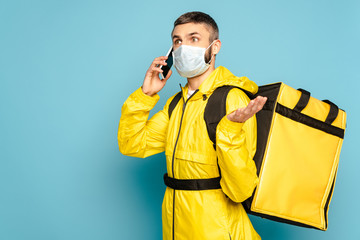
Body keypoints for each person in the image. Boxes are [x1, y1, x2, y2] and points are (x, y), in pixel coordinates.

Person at [118, 11, 267, 240]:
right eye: (177, 41)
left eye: (194, 39)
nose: (183, 47)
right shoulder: (177, 104)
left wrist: (229, 130)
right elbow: (132, 144)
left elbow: (241, 190)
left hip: (218, 232)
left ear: (214, 47)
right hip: (176, 228)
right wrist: (145, 95)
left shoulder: (232, 99)